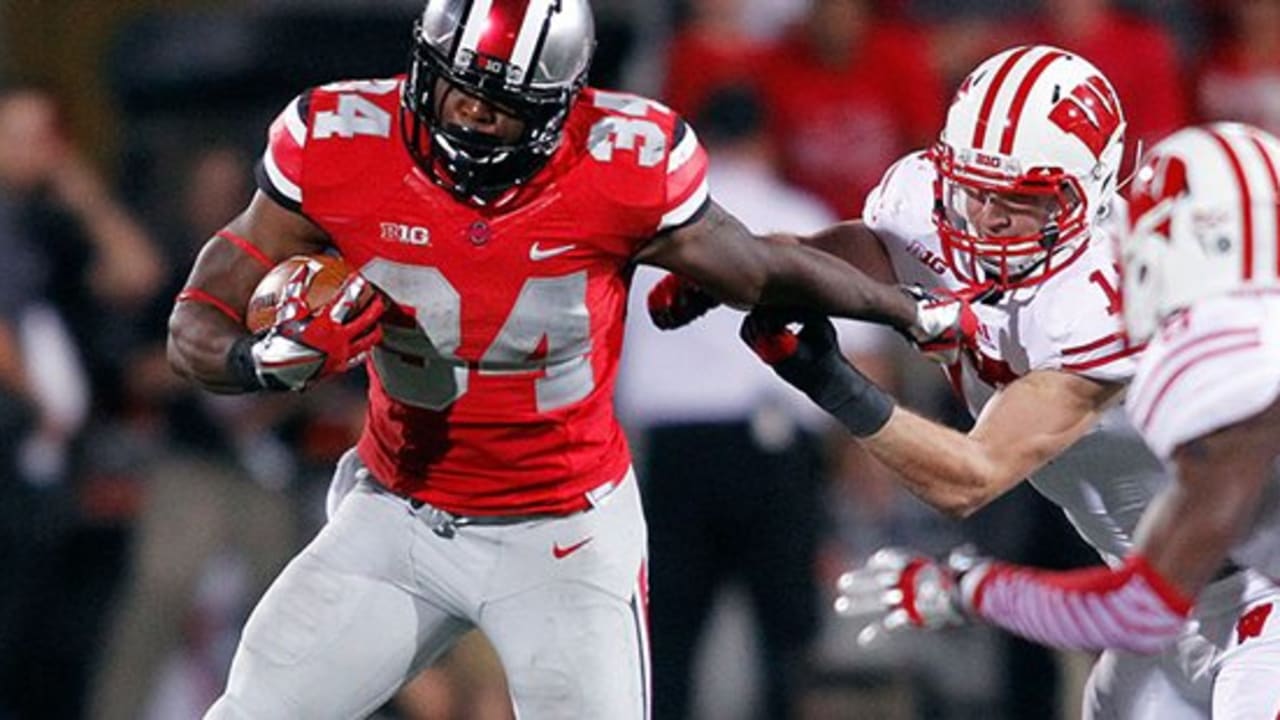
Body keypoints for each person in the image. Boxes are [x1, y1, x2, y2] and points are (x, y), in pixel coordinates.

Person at [164, 1, 960, 717]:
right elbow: (196, 320)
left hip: (563, 533)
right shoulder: (338, 141)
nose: (471, 114)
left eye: (501, 105)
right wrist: (264, 361)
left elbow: (761, 268)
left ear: (555, 111)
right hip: (398, 512)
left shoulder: (621, 161)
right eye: (459, 87)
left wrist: (908, 309)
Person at [650, 45, 1280, 718]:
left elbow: (970, 477)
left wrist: (833, 383)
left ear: (1096, 191)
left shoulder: (1110, 293)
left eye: (1020, 200)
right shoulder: (924, 202)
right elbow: (834, 264)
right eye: (973, 189)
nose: (986, 218)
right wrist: (738, 270)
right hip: (1160, 605)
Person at [834, 121, 1280, 719]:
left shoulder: (1240, 381)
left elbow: (1132, 608)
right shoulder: (1206, 356)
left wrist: (969, 589)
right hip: (1189, 616)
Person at [617, 84, 838, 720]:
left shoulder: (653, 233)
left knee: (669, 641)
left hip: (672, 452)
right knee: (785, 640)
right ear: (767, 141)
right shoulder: (796, 210)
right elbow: (861, 358)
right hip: (769, 447)